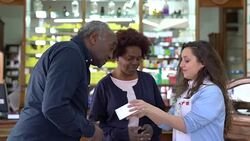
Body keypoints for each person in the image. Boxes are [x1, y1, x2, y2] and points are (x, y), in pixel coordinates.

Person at [7, 21, 117, 141]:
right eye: (111, 48)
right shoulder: (71, 53)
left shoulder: (73, 54)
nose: (111, 56)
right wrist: (90, 130)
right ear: (94, 38)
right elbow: (54, 106)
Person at [129, 41, 232, 141]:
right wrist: (145, 111)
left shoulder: (211, 92)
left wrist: (149, 109)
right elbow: (166, 124)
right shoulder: (186, 91)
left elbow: (187, 125)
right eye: (181, 60)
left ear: (203, 62)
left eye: (187, 61)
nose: (181, 65)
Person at [89, 28, 165, 141]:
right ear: (117, 57)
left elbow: (162, 115)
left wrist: (152, 129)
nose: (135, 62)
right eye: (129, 58)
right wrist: (124, 135)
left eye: (138, 58)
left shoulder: (148, 80)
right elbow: (96, 125)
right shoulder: (105, 86)